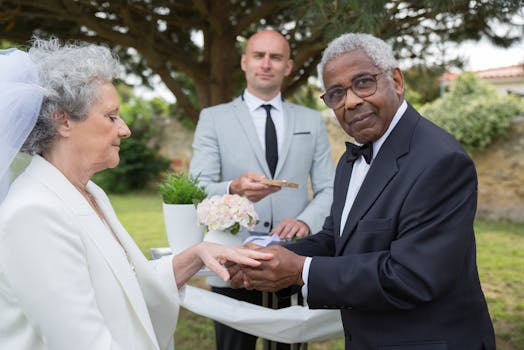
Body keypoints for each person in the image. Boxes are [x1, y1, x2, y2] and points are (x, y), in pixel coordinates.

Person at [0, 38, 273, 350]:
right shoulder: (32, 214)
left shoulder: (90, 192)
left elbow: (127, 283)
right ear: (63, 121)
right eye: (112, 116)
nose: (125, 129)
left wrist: (198, 255)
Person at [232, 33, 496, 349]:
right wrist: (269, 259)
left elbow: (410, 276)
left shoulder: (442, 161)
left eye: (363, 83)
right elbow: (335, 239)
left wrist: (301, 271)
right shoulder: (349, 159)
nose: (352, 101)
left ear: (396, 80)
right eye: (337, 93)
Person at [189, 29, 335, 350]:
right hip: (231, 258)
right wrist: (234, 187)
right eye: (259, 55)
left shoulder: (311, 121)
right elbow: (197, 185)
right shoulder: (213, 119)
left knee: (291, 346)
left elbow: (329, 188)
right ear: (244, 62)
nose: (266, 64)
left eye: (276, 57)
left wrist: (307, 221)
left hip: (292, 258)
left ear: (288, 66)